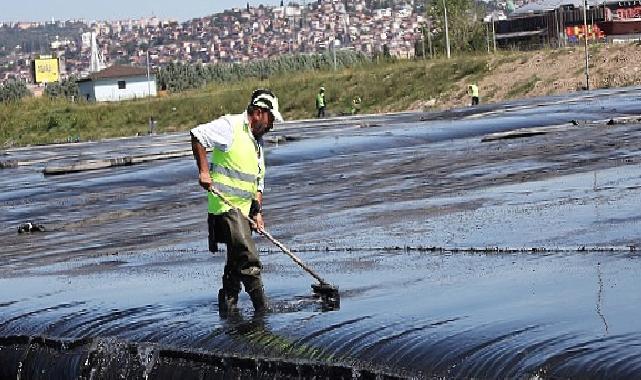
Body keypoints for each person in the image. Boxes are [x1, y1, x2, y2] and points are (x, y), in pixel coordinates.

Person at [190, 89, 283, 315]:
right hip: (225, 207)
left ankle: (228, 305)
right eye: (271, 119)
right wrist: (204, 171)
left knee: (235, 260)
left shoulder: (257, 143)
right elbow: (197, 135)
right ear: (259, 113)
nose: (272, 125)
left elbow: (257, 181)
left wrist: (257, 212)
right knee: (247, 255)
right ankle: (262, 307)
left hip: (243, 210)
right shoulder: (231, 127)